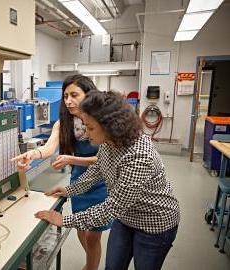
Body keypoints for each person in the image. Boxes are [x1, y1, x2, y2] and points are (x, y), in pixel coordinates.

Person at [34, 90, 180, 270]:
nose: (87, 133)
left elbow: (111, 208)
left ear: (111, 126)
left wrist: (64, 220)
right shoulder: (109, 142)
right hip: (125, 218)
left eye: (91, 128)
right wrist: (69, 190)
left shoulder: (139, 156)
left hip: (154, 224)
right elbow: (97, 169)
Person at [12, 75, 110, 270]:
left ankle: (91, 267)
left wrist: (71, 159)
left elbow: (105, 159)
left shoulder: (100, 120)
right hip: (78, 180)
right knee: (81, 230)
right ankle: (91, 262)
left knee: (93, 235)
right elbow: (49, 149)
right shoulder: (63, 123)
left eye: (74, 95)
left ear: (88, 95)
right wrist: (32, 154)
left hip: (101, 180)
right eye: (65, 96)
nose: (68, 101)